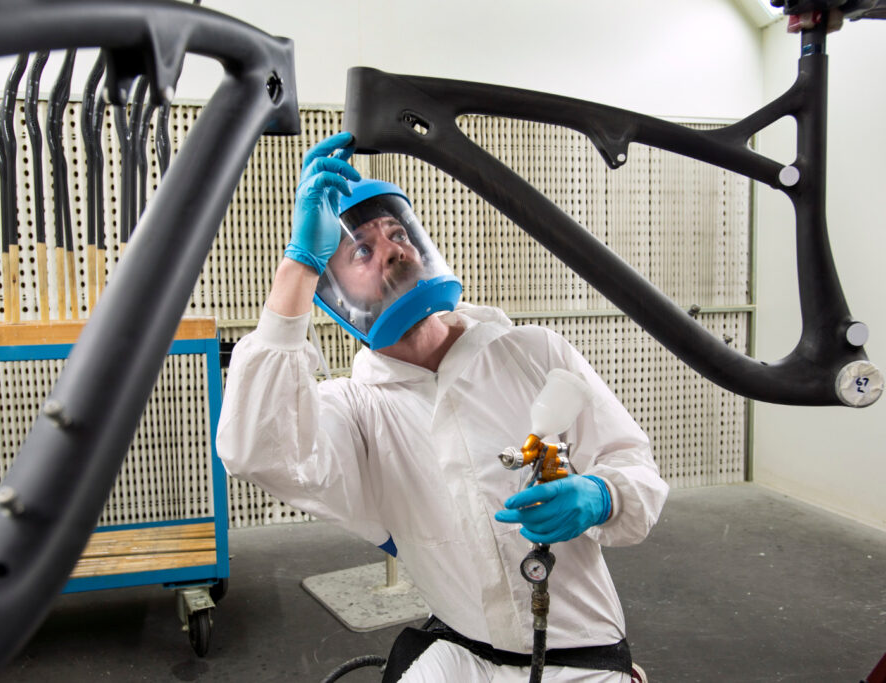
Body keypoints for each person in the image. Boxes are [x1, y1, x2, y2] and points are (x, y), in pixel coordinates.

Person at [215, 131, 669, 682]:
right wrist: (296, 269)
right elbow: (254, 450)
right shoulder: (357, 412)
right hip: (461, 655)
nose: (392, 249)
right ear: (334, 294)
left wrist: (602, 495)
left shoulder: (534, 353)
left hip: (580, 659)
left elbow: (637, 476)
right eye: (362, 249)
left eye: (397, 233)